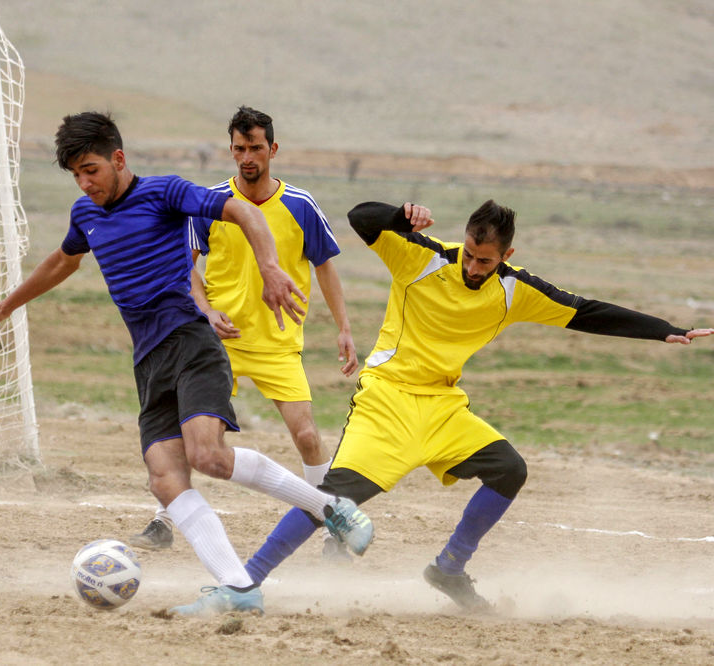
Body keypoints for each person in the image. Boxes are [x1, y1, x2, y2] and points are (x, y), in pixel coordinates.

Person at [0, 111, 375, 617]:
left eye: (91, 170)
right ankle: (239, 588)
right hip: (148, 360)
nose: (85, 183)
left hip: (192, 343)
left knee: (208, 456)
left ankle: (330, 507)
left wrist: (269, 265)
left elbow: (244, 214)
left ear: (118, 158)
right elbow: (63, 261)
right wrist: (4, 307)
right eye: (76, 175)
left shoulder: (165, 193)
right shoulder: (85, 214)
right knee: (165, 478)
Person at [233, 198, 712, 612]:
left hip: (443, 407)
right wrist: (402, 215)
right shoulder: (422, 257)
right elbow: (361, 218)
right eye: (469, 255)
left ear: (506, 256)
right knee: (332, 500)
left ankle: (449, 568)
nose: (473, 267)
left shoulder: (515, 289)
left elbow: (584, 311)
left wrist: (662, 330)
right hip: (387, 401)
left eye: (485, 261)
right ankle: (244, 582)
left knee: (509, 469)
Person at [129, 106, 359, 558]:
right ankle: (163, 520)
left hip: (278, 344)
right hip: (216, 343)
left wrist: (344, 328)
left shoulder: (301, 204)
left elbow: (325, 268)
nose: (247, 156)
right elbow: (185, 267)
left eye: (256, 147)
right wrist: (206, 310)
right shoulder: (212, 203)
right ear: (231, 150)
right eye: (239, 148)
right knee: (191, 436)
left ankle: (332, 528)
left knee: (307, 436)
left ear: (273, 149)